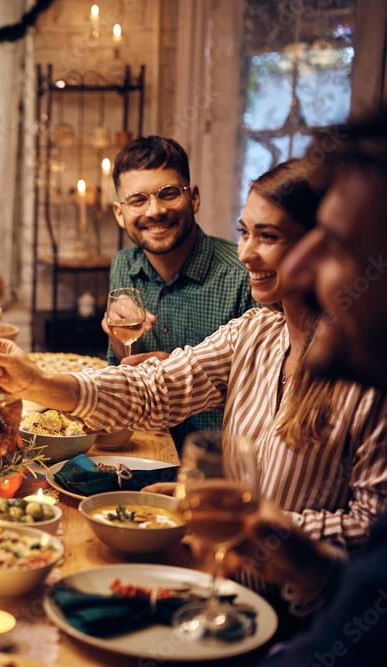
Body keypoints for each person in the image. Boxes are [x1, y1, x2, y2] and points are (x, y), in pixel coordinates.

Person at [0, 160, 387, 583]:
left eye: (268, 236)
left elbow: (372, 534)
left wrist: (237, 517)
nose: (246, 254)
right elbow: (154, 389)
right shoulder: (256, 331)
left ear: (320, 248)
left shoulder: (368, 375)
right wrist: (36, 382)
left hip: (300, 612)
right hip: (218, 577)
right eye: (244, 232)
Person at [231, 110, 387, 665]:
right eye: (244, 231)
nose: (301, 272)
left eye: (339, 246)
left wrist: (267, 524)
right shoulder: (259, 330)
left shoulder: (368, 391)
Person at [105, 136, 256, 446]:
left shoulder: (243, 273)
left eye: (169, 194)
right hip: (143, 448)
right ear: (120, 213)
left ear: (194, 198)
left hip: (217, 462)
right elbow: (121, 369)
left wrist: (177, 376)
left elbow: (266, 393)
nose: (155, 210)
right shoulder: (123, 265)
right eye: (138, 200)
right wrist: (116, 335)